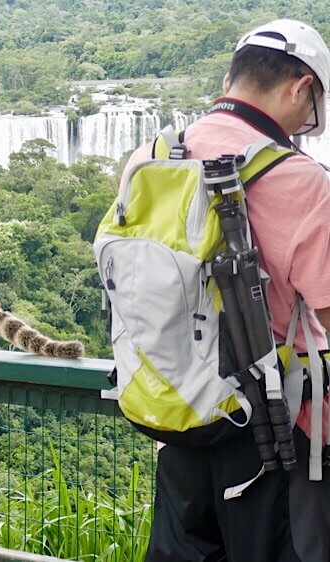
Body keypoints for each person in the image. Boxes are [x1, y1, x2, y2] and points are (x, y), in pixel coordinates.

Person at [118, 19, 330, 562]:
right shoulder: (300, 179)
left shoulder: (151, 158)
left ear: (230, 77)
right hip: (276, 435)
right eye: (312, 111)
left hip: (179, 419)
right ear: (302, 86)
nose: (307, 125)